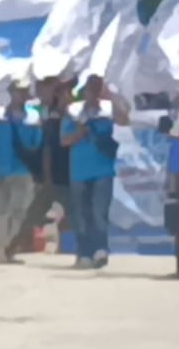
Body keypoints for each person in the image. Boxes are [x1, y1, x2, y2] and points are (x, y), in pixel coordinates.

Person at [60, 74, 129, 269]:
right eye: (91, 88)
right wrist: (80, 132)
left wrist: (113, 98)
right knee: (81, 214)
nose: (94, 92)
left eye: (97, 88)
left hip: (103, 170)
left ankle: (100, 250)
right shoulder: (74, 112)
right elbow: (64, 140)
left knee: (99, 212)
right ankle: (83, 253)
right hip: (79, 171)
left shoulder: (108, 110)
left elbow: (124, 120)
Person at [0, 77, 43, 263]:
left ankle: (7, 246)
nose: (21, 95)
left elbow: (35, 144)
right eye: (18, 91)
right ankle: (2, 249)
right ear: (11, 93)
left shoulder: (30, 117)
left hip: (23, 169)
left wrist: (37, 127)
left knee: (20, 211)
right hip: (1, 169)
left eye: (24, 91)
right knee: (1, 210)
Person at [16, 75, 70, 253]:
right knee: (34, 212)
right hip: (50, 174)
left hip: (69, 174)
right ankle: (22, 244)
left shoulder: (73, 115)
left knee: (71, 213)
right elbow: (47, 149)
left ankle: (65, 247)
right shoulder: (49, 117)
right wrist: (46, 176)